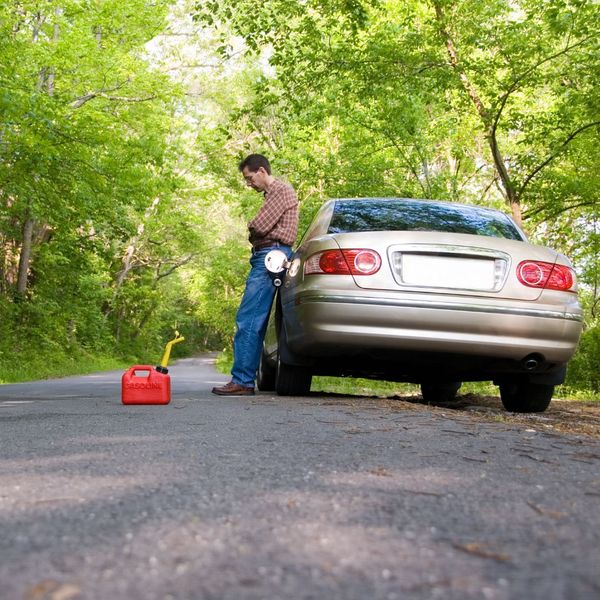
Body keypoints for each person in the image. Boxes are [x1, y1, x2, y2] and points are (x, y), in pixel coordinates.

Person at [212, 154, 299, 396]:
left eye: (249, 178)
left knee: (248, 319)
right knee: (255, 319)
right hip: (269, 254)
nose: (249, 183)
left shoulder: (279, 190)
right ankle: (244, 378)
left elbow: (259, 226)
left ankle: (242, 380)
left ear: (262, 171)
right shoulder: (273, 194)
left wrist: (253, 227)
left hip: (270, 255)